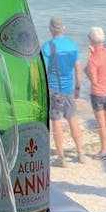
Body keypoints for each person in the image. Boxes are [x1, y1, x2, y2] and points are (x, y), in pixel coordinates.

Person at [42, 15, 84, 167]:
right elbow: (78, 69)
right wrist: (78, 88)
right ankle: (80, 152)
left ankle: (61, 158)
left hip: (54, 90)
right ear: (63, 28)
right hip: (69, 90)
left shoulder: (47, 47)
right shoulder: (72, 45)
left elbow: (43, 70)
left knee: (56, 123)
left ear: (50, 30)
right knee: (73, 119)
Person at [84, 26, 106, 160]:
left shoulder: (93, 59)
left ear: (91, 41)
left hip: (97, 94)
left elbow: (93, 80)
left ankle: (103, 150)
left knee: (101, 124)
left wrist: (90, 58)